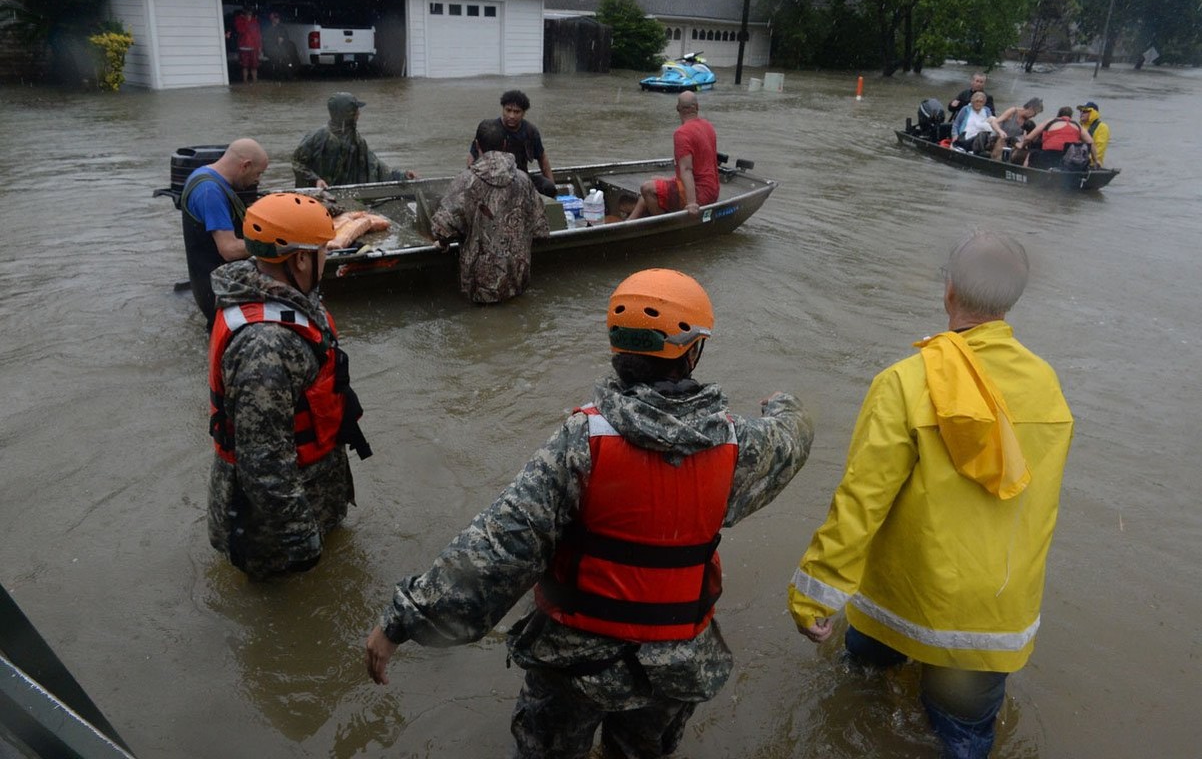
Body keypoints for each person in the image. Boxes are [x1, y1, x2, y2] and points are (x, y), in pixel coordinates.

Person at [366, 268, 814, 758]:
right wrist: (784, 406)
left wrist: (399, 622)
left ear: (617, 347)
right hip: (677, 666)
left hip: (573, 664)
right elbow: (794, 438)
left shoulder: (580, 443)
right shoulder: (739, 445)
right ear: (692, 351)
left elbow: (498, 549)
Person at [788, 231, 1074, 759]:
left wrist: (816, 594)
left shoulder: (905, 381)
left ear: (949, 292)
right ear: (1013, 300)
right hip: (992, 617)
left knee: (858, 697)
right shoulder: (1048, 386)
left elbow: (861, 499)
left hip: (902, 599)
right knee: (963, 740)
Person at [207, 192, 373, 581]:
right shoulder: (266, 345)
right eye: (322, 251)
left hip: (313, 490)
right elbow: (263, 462)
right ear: (299, 259)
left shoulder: (275, 290)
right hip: (271, 534)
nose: (326, 259)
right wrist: (301, 540)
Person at [432, 119, 550, 304]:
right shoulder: (524, 180)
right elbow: (541, 229)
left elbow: (442, 228)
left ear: (477, 145)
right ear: (504, 144)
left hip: (478, 285)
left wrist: (443, 242)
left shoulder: (465, 182)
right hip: (517, 280)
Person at [181, 138, 269, 330]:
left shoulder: (204, 174)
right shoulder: (210, 192)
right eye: (258, 173)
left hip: (206, 286)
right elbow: (229, 250)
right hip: (218, 292)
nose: (258, 180)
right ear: (245, 166)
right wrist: (274, 242)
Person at [626, 91, 719, 221]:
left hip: (700, 193)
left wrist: (692, 203)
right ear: (697, 107)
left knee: (647, 188)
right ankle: (630, 221)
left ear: (678, 109)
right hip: (713, 189)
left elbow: (686, 169)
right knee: (655, 180)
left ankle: (665, 225)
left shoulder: (682, 133)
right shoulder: (708, 126)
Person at [292, 92, 417, 189]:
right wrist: (315, 180)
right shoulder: (318, 136)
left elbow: (375, 166)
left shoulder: (356, 139)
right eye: (355, 111)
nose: (359, 114)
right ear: (347, 114)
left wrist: (402, 176)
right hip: (319, 198)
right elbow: (298, 163)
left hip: (347, 196)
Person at [467, 89, 558, 197]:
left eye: (516, 112)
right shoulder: (489, 129)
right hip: (493, 178)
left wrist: (553, 186)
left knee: (548, 187)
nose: (511, 116)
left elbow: (542, 159)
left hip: (521, 178)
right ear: (503, 109)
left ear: (524, 113)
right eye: (508, 110)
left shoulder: (530, 131)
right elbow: (472, 156)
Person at [1019, 106, 1095, 169]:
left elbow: (1029, 138)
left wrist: (1021, 145)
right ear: (1071, 116)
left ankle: (1026, 173)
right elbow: (1090, 142)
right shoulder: (1077, 125)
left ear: (1058, 115)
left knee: (1032, 153)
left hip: (1049, 157)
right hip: (1069, 159)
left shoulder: (1050, 121)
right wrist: (1096, 161)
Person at [261, 11, 299, 77]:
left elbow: (287, 39)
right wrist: (276, 41)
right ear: (271, 19)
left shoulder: (282, 28)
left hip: (282, 49)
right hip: (272, 50)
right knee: (276, 61)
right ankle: (277, 75)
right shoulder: (267, 29)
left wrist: (283, 40)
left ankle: (290, 74)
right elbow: (265, 40)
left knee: (288, 60)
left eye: (278, 18)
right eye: (275, 18)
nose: (277, 19)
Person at [232, 8, 261, 84]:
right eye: (247, 14)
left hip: (254, 48)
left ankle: (255, 81)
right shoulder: (240, 22)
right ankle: (245, 81)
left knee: (254, 66)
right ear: (244, 15)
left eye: (250, 14)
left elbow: (258, 36)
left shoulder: (255, 23)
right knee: (245, 66)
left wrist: (260, 46)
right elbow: (241, 30)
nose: (248, 16)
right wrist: (245, 21)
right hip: (243, 48)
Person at [1077, 101, 1110, 166]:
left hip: (1092, 165)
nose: (1081, 113)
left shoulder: (1102, 127)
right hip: (1076, 163)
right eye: (1081, 111)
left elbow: (1099, 149)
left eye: (1085, 111)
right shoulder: (1079, 126)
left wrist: (1086, 161)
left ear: (1093, 113)